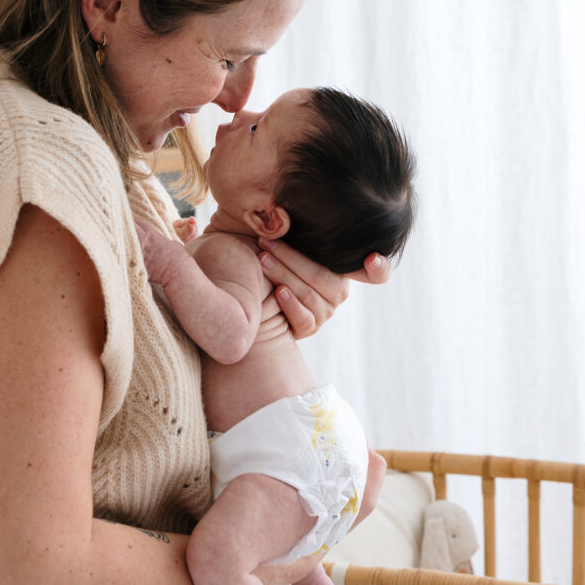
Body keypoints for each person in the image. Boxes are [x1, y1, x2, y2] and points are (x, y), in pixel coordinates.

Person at [0, 0, 390, 583]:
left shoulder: (38, 115)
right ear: (109, 4)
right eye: (227, 57)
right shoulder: (37, 170)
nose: (236, 99)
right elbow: (30, 564)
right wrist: (277, 558)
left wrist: (264, 329)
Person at [135, 86, 415, 584]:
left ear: (266, 217)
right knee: (298, 566)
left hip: (285, 455)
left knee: (216, 561)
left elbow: (232, 337)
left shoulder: (227, 254)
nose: (242, 111)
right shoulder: (227, 250)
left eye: (258, 128)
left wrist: (169, 263)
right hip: (321, 446)